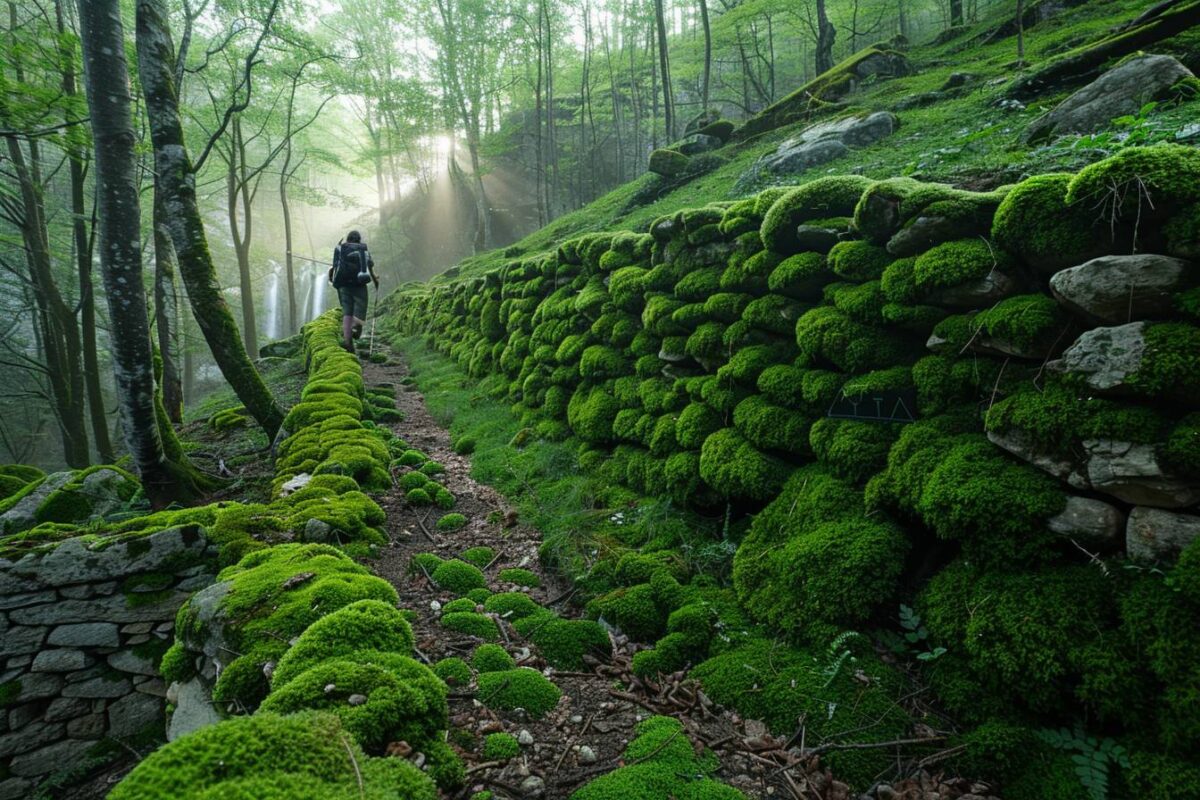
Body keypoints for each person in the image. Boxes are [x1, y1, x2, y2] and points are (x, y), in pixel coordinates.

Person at [328, 230, 379, 354]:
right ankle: (357, 326)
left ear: (348, 239)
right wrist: (376, 281)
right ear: (359, 239)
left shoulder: (341, 249)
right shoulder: (363, 250)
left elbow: (334, 267)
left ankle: (347, 342)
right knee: (361, 306)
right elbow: (370, 268)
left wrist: (332, 279)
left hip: (343, 285)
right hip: (359, 284)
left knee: (347, 311)